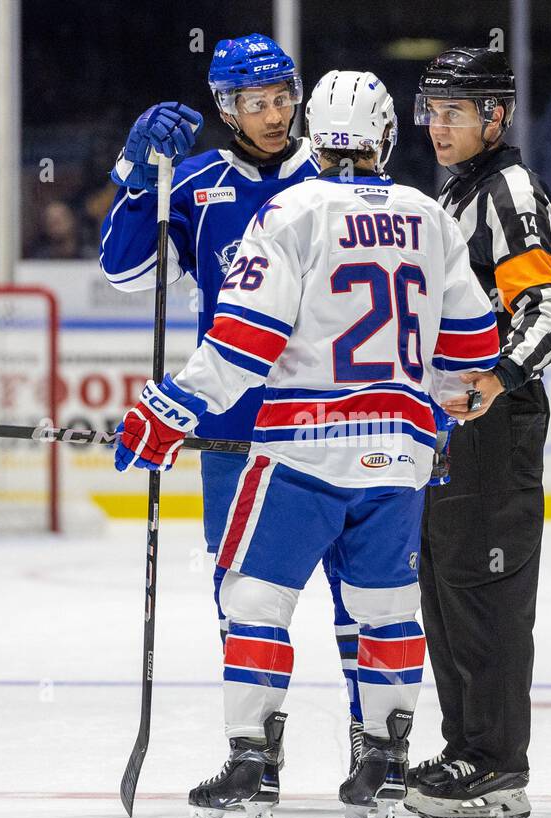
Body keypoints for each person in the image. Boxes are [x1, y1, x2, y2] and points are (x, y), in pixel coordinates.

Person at [112, 70, 501, 818]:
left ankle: (252, 776)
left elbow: (242, 345)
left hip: (303, 451)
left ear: (316, 134)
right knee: (385, 611)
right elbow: (472, 350)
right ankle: (384, 775)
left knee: (255, 602)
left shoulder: (292, 211)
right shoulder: (430, 216)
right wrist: (430, 401)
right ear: (387, 133)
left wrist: (167, 410)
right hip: (399, 453)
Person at [97, 35, 366, 766]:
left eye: (284, 98)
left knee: (359, 595)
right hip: (234, 429)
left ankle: (372, 743)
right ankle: (257, 748)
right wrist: (133, 176)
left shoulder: (341, 174)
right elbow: (123, 273)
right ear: (227, 107)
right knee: (245, 599)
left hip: (331, 419)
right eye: (257, 103)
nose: (275, 114)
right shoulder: (192, 183)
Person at [408, 48, 551, 818]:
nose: (439, 127)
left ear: (495, 118)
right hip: (457, 422)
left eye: (456, 112)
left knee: (487, 590)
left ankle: (498, 761)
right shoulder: (460, 190)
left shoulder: (507, 190)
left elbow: (545, 311)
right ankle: (468, 746)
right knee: (446, 586)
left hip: (494, 423)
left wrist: (496, 380)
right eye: (432, 111)